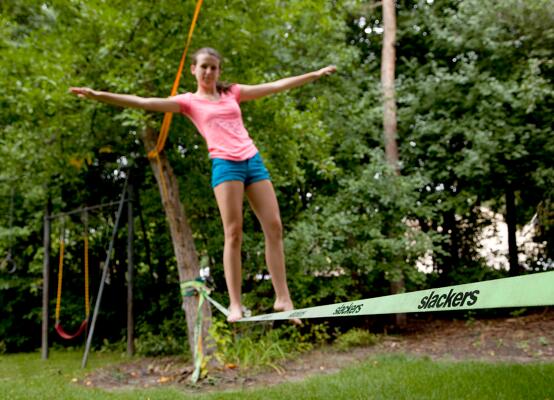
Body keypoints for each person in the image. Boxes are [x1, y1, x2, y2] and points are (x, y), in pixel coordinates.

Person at [70, 47, 336, 322]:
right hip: (225, 164)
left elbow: (275, 86)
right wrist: (99, 95)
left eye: (214, 67)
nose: (209, 72)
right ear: (193, 70)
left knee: (275, 226)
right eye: (204, 67)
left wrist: (314, 74)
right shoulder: (188, 102)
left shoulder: (231, 92)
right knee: (233, 232)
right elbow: (144, 101)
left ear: (219, 71)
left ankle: (282, 297)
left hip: (252, 160)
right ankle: (235, 304)